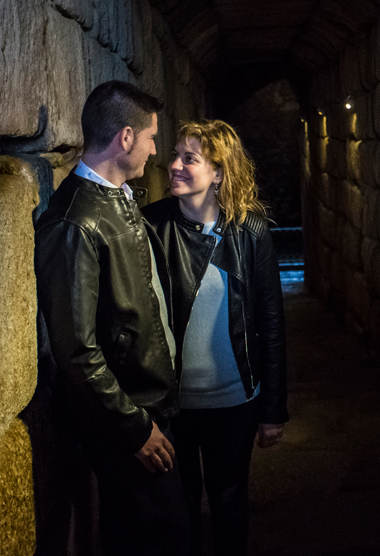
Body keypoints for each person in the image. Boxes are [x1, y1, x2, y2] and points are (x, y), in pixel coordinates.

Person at [35, 81, 189, 556]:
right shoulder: (75, 222)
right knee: (154, 538)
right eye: (150, 138)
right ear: (125, 138)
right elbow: (77, 351)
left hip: (149, 406)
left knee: (152, 532)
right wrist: (133, 427)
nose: (155, 150)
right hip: (130, 417)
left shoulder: (117, 198)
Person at [144, 120, 288, 556]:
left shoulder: (251, 231)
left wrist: (273, 408)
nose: (173, 166)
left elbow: (271, 320)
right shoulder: (150, 225)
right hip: (174, 406)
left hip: (234, 402)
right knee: (179, 506)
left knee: (229, 500)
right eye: (174, 155)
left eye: (189, 158)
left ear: (220, 172)